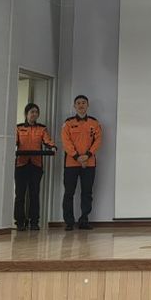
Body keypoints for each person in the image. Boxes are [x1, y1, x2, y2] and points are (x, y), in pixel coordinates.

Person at [61, 95, 102, 231]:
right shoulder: (68, 123)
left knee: (87, 193)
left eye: (83, 103)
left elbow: (98, 141)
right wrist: (77, 156)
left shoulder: (94, 123)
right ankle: (69, 222)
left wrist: (87, 156)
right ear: (74, 106)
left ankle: (84, 220)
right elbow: (66, 142)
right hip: (71, 163)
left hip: (89, 163)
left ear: (88, 105)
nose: (81, 105)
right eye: (78, 103)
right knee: (69, 193)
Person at [14, 103, 57, 231]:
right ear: (26, 114)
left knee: (34, 194)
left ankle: (34, 222)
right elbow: (14, 142)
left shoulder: (41, 129)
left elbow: (48, 141)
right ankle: (20, 222)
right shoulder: (18, 128)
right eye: (32, 112)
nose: (34, 114)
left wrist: (52, 147)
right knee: (20, 194)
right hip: (21, 164)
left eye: (36, 112)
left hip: (35, 165)